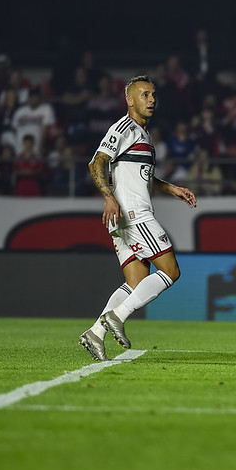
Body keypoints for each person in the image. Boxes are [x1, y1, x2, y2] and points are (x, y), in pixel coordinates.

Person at [79, 75, 197, 362]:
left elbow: (141, 176)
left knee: (136, 281)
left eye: (153, 94)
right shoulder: (124, 127)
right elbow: (97, 162)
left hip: (125, 218)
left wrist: (171, 188)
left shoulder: (143, 134)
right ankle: (117, 317)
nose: (152, 99)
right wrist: (108, 196)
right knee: (170, 271)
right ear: (129, 100)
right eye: (144, 94)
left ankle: (95, 332)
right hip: (133, 214)